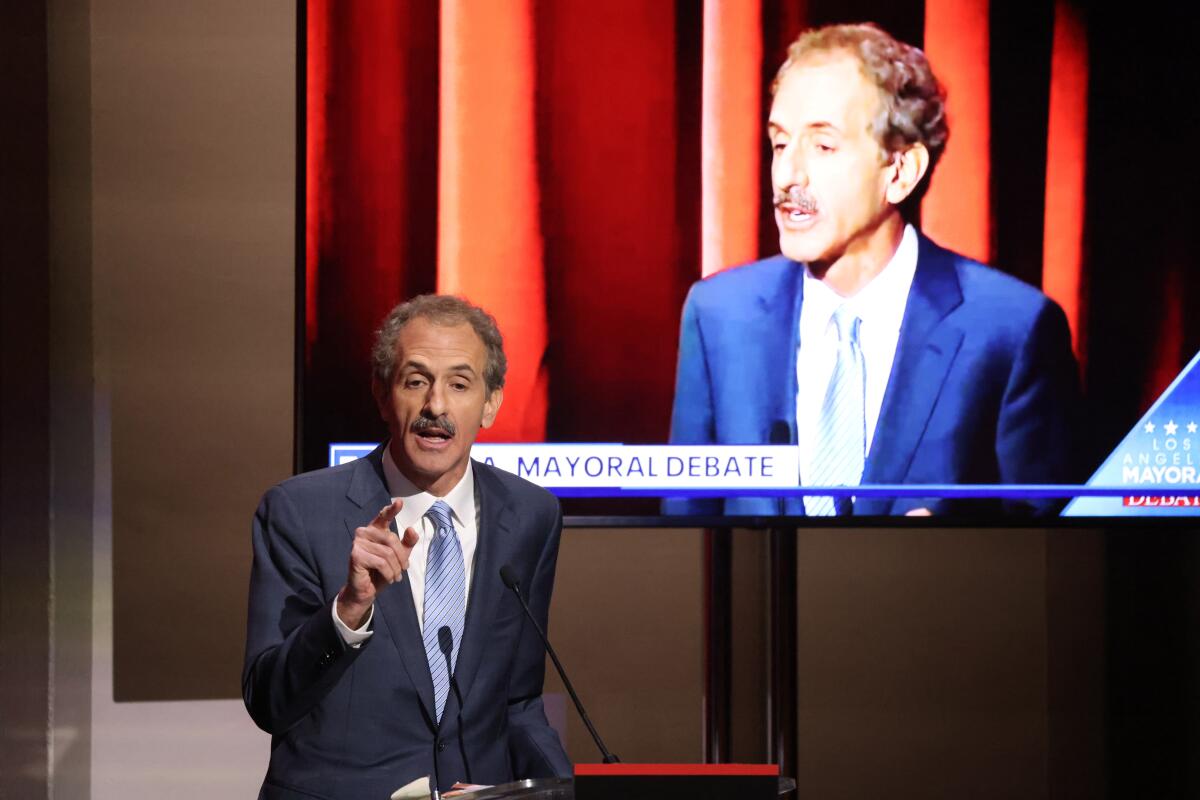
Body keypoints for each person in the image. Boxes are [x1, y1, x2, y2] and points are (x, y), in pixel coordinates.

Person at [668, 23, 1081, 517]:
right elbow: (687, 535)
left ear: (900, 172)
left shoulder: (1010, 332)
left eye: (823, 146)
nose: (787, 176)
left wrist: (967, 550)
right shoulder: (719, 318)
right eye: (780, 144)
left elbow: (1049, 557)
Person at [243, 295, 571, 799]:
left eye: (459, 384)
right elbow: (270, 702)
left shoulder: (531, 516)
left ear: (491, 403)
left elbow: (519, 700)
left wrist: (558, 787)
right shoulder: (299, 513)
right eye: (415, 381)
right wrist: (349, 612)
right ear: (381, 395)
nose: (435, 406)